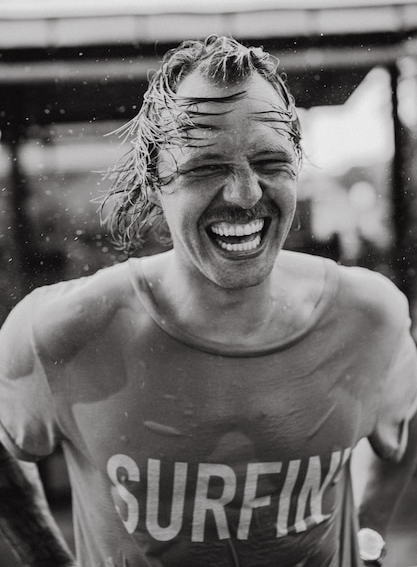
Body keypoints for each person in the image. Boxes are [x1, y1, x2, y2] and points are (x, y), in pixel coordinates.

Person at [0, 35, 417, 567]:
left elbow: (395, 440)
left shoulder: (369, 317)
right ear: (154, 180)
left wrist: (367, 544)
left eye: (269, 161)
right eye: (203, 168)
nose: (245, 194)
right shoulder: (63, 332)